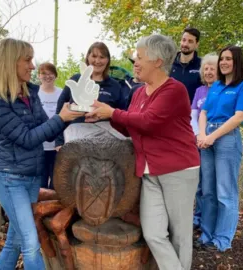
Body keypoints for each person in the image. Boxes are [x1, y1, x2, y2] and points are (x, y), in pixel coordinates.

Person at [85, 34, 200, 270]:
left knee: (180, 235)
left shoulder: (174, 90)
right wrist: (103, 117)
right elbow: (130, 126)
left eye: (140, 57)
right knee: (153, 233)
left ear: (157, 61)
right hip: (149, 171)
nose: (135, 62)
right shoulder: (138, 93)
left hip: (178, 170)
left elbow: (149, 121)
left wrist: (112, 113)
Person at [0, 38, 83, 270]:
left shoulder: (29, 93)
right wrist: (61, 118)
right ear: (9, 63)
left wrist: (71, 115)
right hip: (10, 179)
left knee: (15, 240)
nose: (33, 66)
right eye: (27, 60)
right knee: (30, 241)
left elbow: (46, 132)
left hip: (31, 177)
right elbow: (27, 139)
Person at [196, 45, 243, 252]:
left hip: (226, 139)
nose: (224, 62)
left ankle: (221, 240)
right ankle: (207, 235)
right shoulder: (217, 86)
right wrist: (202, 135)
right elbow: (203, 112)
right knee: (208, 192)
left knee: (225, 193)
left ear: (237, 62)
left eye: (228, 58)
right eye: (222, 58)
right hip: (208, 138)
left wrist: (211, 137)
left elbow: (239, 116)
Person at [55, 42, 126, 148]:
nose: (97, 61)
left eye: (102, 57)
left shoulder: (115, 86)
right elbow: (60, 111)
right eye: (94, 56)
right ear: (87, 57)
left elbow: (121, 115)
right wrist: (59, 142)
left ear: (107, 60)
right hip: (75, 140)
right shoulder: (76, 79)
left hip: (106, 143)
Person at [190, 53, 218, 229]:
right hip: (199, 142)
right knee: (199, 184)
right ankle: (198, 217)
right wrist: (197, 135)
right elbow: (193, 115)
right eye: (205, 68)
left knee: (211, 185)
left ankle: (211, 220)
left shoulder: (221, 89)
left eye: (212, 69)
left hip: (215, 141)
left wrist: (208, 137)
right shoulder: (199, 91)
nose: (208, 72)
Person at [38, 62, 62, 189]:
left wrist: (61, 141)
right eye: (44, 74)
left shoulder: (62, 93)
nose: (47, 76)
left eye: (51, 73)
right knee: (40, 184)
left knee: (56, 183)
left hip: (57, 147)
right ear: (39, 76)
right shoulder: (34, 94)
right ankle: (38, 209)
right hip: (39, 146)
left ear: (55, 76)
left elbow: (66, 119)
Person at [170, 27, 203, 103]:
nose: (185, 44)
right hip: (169, 112)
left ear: (197, 44)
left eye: (190, 41)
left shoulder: (202, 65)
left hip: (192, 113)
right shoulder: (169, 63)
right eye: (183, 40)